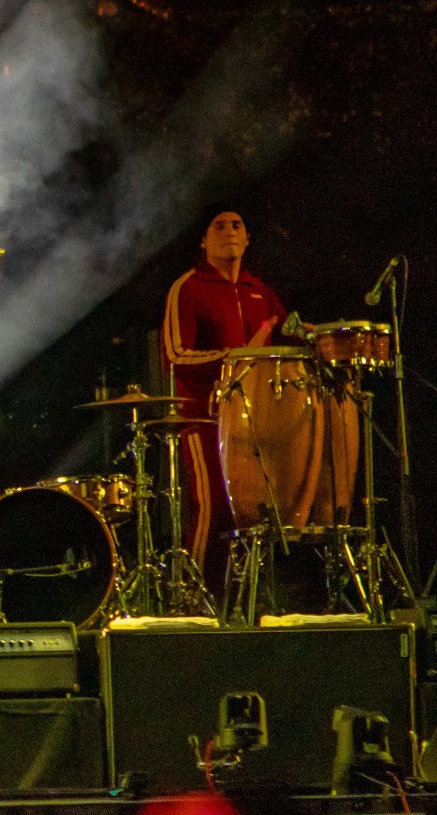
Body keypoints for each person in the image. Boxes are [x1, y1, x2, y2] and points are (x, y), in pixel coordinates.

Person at [161, 208, 287, 587]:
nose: (229, 231)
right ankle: (192, 596)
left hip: (253, 422)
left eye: (237, 226)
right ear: (203, 240)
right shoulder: (188, 287)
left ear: (247, 238)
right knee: (211, 506)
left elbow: (288, 335)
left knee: (251, 513)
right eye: (219, 226)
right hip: (203, 420)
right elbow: (175, 356)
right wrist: (237, 357)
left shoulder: (258, 291)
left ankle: (247, 598)